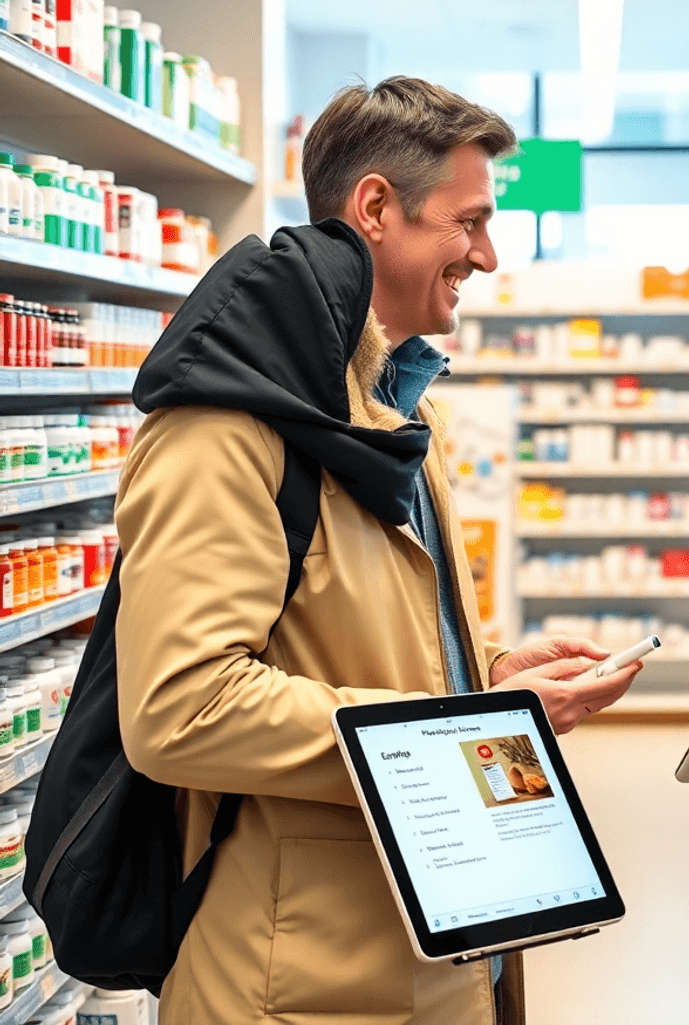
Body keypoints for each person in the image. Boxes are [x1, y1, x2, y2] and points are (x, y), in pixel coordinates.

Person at [115, 76, 639, 1025]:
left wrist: (491, 679)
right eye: (469, 222)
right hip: (305, 978)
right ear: (374, 208)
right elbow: (180, 709)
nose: (487, 254)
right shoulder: (227, 428)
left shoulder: (394, 410)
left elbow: (362, 652)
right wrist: (470, 732)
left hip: (433, 944)